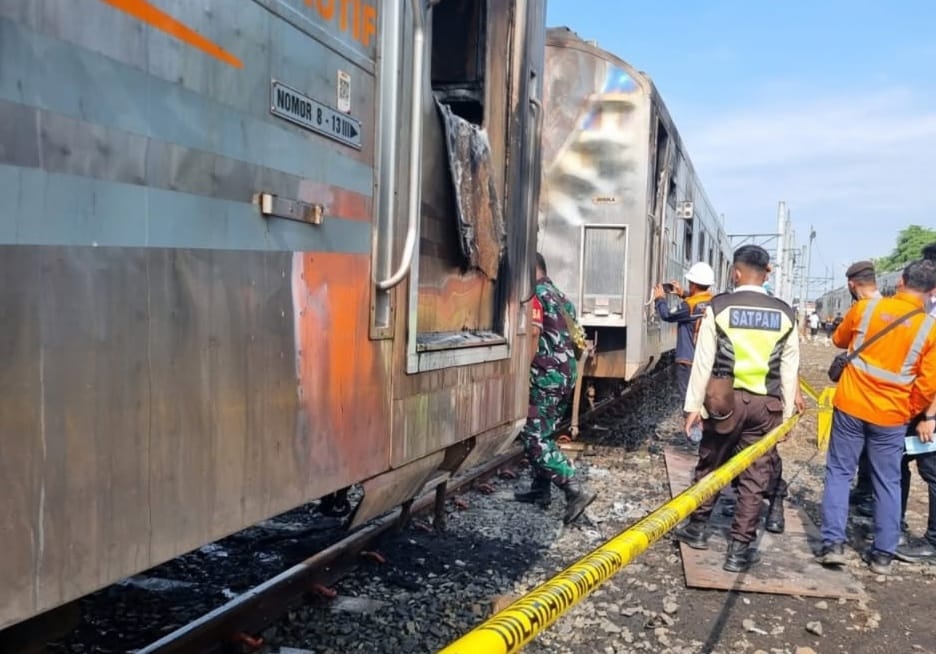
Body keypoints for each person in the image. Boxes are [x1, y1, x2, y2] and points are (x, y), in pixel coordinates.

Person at [673, 245, 802, 573]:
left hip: (724, 402)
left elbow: (703, 362)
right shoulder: (785, 313)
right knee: (754, 478)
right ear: (766, 273)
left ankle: (698, 529)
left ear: (736, 272)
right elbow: (789, 370)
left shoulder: (720, 307)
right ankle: (738, 550)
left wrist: (692, 407)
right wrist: (787, 418)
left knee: (711, 465)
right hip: (766, 407)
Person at [817, 259, 936, 575]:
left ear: (900, 282)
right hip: (892, 415)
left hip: (851, 405)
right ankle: (883, 554)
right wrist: (908, 410)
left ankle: (833, 544)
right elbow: (928, 384)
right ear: (932, 292)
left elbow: (839, 340)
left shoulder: (865, 309)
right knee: (888, 481)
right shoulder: (930, 329)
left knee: (840, 472)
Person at [514, 253, 596, 524]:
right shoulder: (562, 298)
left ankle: (573, 488)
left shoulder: (534, 294)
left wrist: (522, 370)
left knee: (534, 437)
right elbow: (578, 339)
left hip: (544, 377)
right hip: (564, 375)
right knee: (546, 431)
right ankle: (541, 489)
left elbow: (533, 333)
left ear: (530, 270)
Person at [895, 243, 936, 562]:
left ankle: (933, 541)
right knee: (898, 461)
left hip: (928, 408)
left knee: (932, 470)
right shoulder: (927, 307)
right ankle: (893, 523)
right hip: (915, 402)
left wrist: (930, 417)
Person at [840, 261, 884, 518]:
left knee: (842, 466)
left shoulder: (859, 310)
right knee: (882, 459)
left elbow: (839, 339)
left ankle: (834, 534)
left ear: (851, 284)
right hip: (890, 399)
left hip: (857, 396)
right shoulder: (898, 310)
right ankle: (868, 494)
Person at [653, 262, 716, 404]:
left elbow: (667, 315)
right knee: (703, 399)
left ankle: (691, 418)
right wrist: (683, 294)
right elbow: (698, 304)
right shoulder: (714, 302)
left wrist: (659, 299)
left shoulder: (689, 305)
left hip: (687, 361)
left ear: (693, 285)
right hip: (706, 360)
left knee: (689, 400)